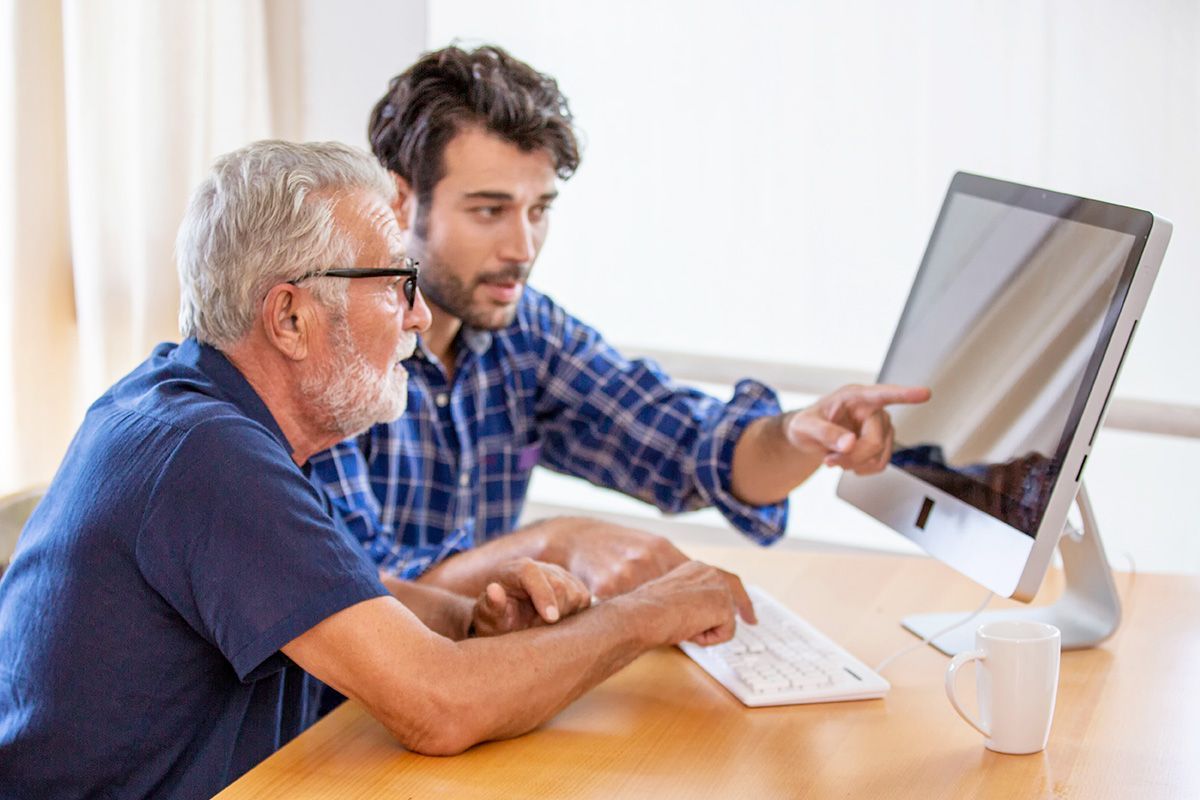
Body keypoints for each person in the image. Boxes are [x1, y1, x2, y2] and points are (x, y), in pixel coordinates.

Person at [0, 141, 749, 798]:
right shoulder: (207, 458)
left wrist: (470, 619)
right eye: (395, 286)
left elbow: (335, 598)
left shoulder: (194, 408)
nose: (420, 317)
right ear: (290, 318)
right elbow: (439, 708)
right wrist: (650, 612)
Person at [309, 45, 929, 599]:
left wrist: (799, 433)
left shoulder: (526, 333)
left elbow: (691, 449)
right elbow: (361, 595)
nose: (523, 247)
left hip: (478, 675)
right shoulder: (329, 354)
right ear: (399, 200)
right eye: (490, 211)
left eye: (539, 210)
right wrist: (555, 543)